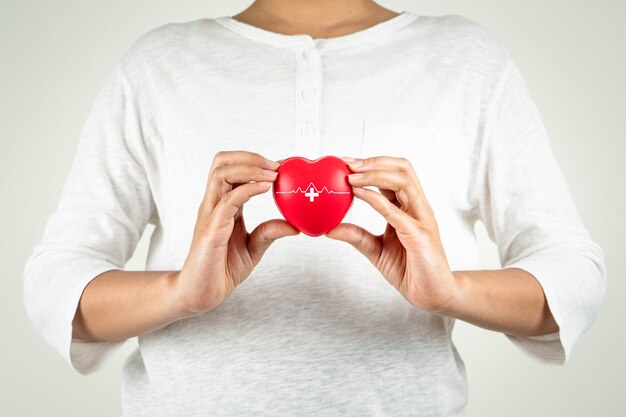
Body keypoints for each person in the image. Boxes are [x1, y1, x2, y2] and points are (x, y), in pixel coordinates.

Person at [23, 1, 606, 416]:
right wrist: (179, 292)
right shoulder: (159, 63)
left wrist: (452, 291)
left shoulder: (465, 58)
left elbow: (574, 276)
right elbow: (55, 282)